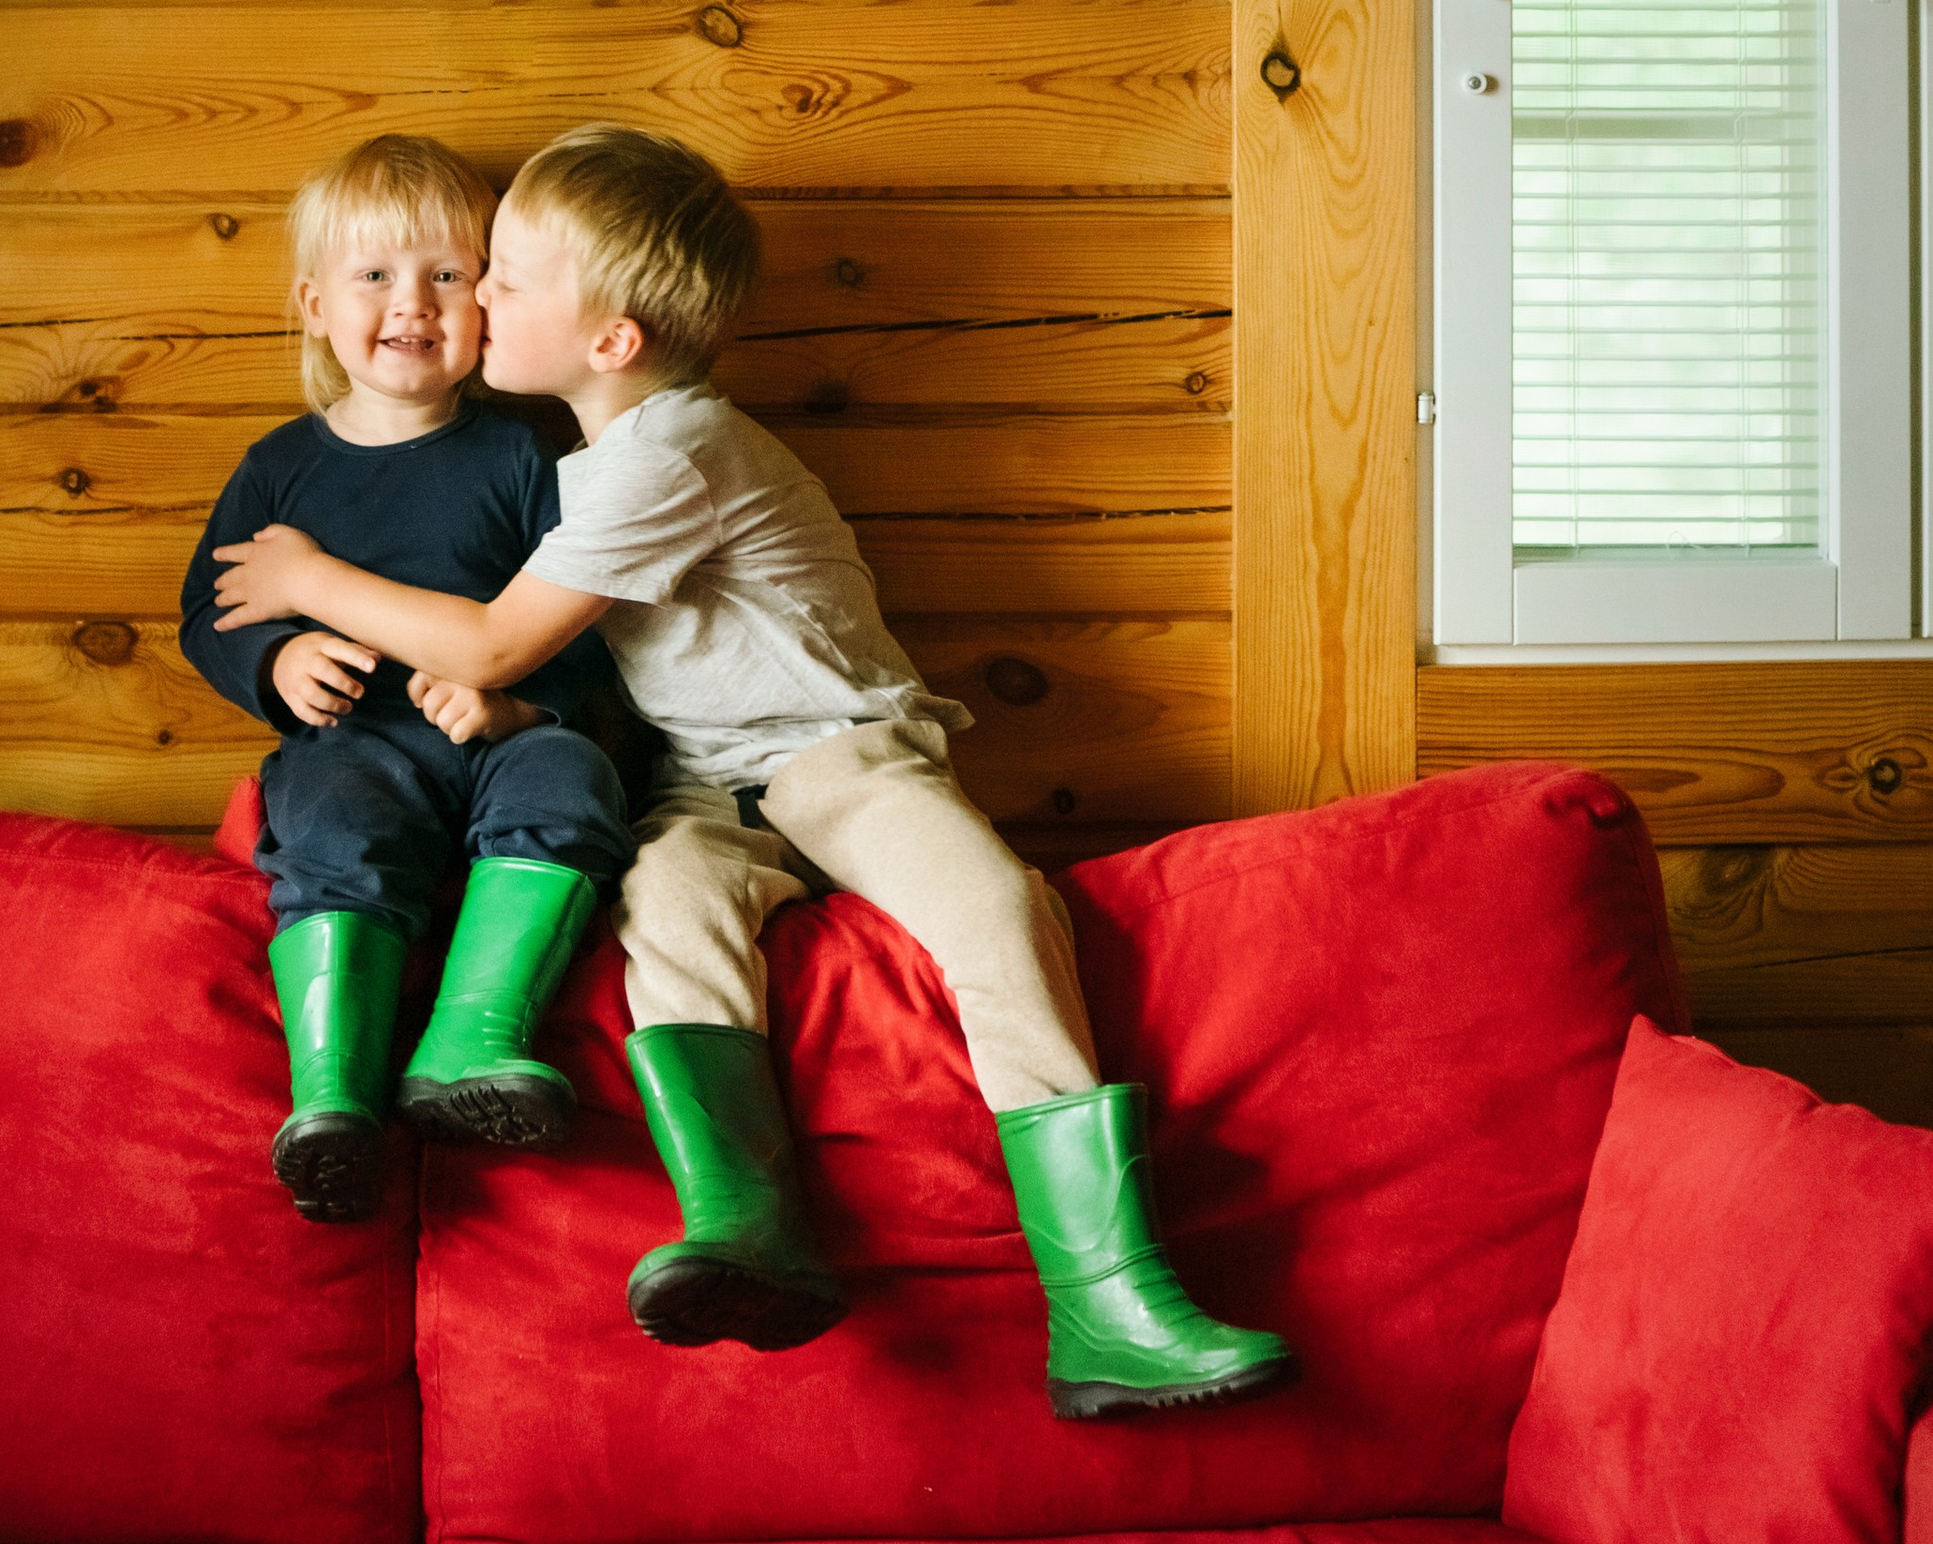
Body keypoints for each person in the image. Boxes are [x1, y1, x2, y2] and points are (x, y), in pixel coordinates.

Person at [213, 123, 1295, 1421]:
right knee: (666, 915)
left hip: (842, 756)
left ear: (611, 341)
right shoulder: (586, 464)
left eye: (504, 274)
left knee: (998, 912)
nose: (480, 292)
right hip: (703, 784)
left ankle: (1109, 1298)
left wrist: (307, 580)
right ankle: (748, 1228)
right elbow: (539, 656)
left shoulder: (675, 451)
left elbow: (502, 630)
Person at [179, 132, 632, 1226]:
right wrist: (277, 660)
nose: (410, 304)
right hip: (354, 742)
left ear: (487, 304)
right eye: (374, 276)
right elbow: (209, 612)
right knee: (331, 823)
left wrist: (517, 700)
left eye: (446, 275)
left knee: (569, 774)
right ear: (315, 304)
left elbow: (580, 626)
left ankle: (473, 1041)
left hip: (495, 735)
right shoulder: (282, 466)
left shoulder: (522, 458)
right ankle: (333, 1101)